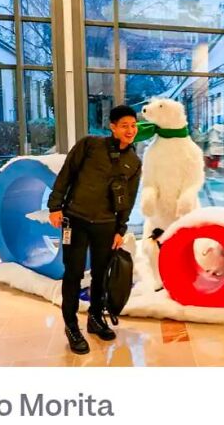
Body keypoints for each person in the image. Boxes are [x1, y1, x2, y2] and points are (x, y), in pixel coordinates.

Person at [48, 104, 142, 354]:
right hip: (76, 220)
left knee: (101, 274)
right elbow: (66, 174)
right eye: (124, 125)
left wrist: (120, 229)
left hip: (106, 225)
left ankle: (95, 318)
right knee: (73, 273)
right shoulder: (90, 145)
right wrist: (55, 206)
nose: (130, 130)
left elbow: (129, 198)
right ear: (112, 127)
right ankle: (71, 326)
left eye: (133, 125)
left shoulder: (133, 161)